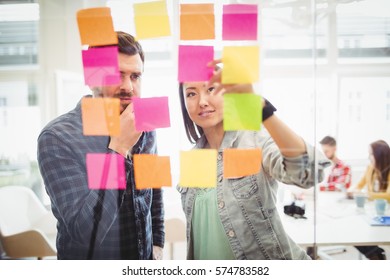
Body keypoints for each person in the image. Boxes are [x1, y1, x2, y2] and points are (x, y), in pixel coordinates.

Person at [177, 60, 330, 260]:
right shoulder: (193, 158)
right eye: (191, 93)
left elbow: (309, 172)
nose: (202, 101)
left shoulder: (253, 140)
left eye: (211, 89)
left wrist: (261, 108)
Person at [37, 31, 164, 260]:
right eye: (117, 75)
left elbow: (153, 189)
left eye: (135, 76)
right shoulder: (57, 137)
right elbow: (85, 232)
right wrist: (118, 149)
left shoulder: (144, 124)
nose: (128, 87)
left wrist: (157, 243)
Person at [349, 140, 390, 260]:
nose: (369, 157)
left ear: (379, 155)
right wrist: (353, 190)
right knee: (352, 229)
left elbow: (388, 196)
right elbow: (360, 184)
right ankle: (375, 253)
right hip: (373, 212)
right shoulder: (370, 168)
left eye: (371, 154)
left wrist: (367, 194)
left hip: (387, 213)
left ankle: (375, 253)